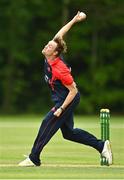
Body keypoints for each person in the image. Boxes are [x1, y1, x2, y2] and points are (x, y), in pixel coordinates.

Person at [18, 11, 112, 167]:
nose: (46, 45)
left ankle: (34, 158)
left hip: (68, 98)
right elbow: (61, 33)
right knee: (69, 133)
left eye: (49, 46)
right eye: (47, 44)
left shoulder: (59, 68)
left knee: (47, 122)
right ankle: (101, 146)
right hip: (61, 98)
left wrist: (61, 108)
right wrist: (74, 20)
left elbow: (73, 91)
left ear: (55, 53)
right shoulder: (50, 56)